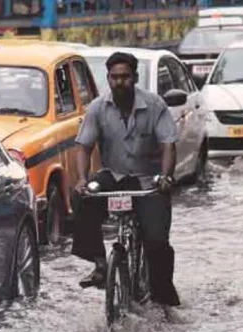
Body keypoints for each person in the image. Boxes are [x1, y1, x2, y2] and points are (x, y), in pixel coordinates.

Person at [71, 51, 181, 312]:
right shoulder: (98, 107)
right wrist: (81, 180)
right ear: (108, 79)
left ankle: (163, 297)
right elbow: (83, 148)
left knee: (157, 242)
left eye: (125, 77)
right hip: (114, 176)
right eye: (114, 78)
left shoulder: (154, 105)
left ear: (134, 78)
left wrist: (165, 176)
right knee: (82, 198)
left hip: (147, 182)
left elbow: (168, 145)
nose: (119, 83)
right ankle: (99, 263)